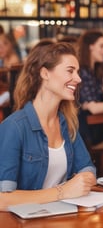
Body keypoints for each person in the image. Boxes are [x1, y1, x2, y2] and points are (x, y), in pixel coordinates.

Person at [0, 42, 96, 211]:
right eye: (70, 70)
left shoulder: (68, 123)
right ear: (45, 73)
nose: (78, 79)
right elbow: (3, 199)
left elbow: (88, 170)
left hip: (62, 217)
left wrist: (84, 179)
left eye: (78, 72)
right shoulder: (14, 127)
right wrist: (62, 192)